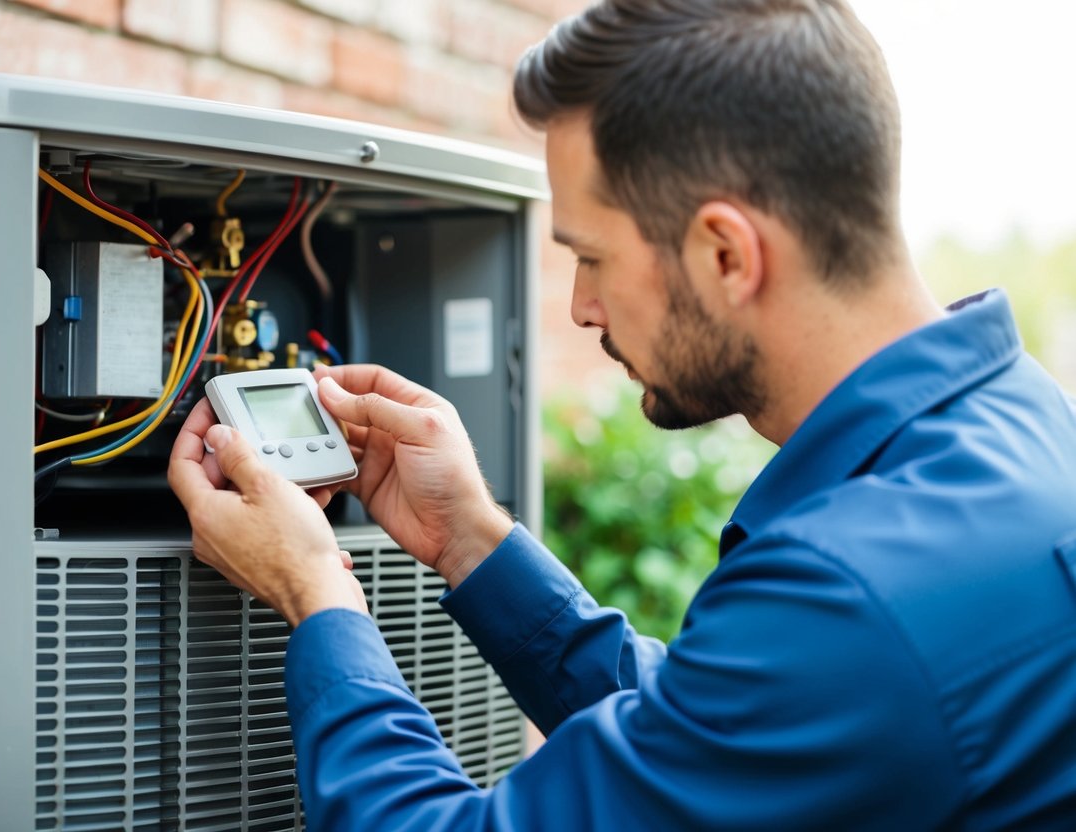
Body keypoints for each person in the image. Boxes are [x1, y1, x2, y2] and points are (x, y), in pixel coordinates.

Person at [168, 0, 1076, 828]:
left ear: (725, 253)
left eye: (591, 257)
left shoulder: (854, 589)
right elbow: (724, 739)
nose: (579, 309)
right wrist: (471, 541)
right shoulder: (1023, 421)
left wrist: (316, 592)